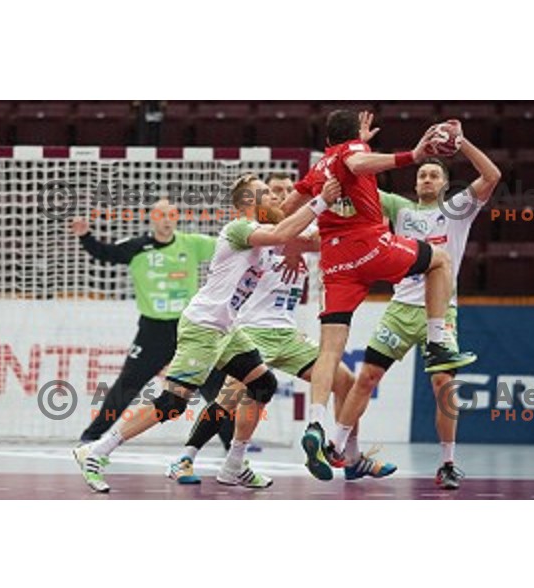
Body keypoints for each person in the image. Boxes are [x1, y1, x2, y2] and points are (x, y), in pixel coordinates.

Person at [73, 174, 342, 492]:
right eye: (265, 193)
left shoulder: (266, 230)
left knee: (262, 383)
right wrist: (321, 199)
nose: (272, 197)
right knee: (173, 403)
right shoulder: (240, 228)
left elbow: (297, 233)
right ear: (246, 203)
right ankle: (97, 450)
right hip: (203, 326)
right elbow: (285, 231)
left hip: (226, 328)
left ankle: (234, 465)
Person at [281, 109, 477, 480]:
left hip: (336, 262)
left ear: (326, 140)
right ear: (352, 135)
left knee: (330, 351)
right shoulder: (351, 153)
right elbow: (356, 160)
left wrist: (306, 217)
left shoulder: (320, 167)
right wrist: (412, 156)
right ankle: (438, 340)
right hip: (371, 248)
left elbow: (286, 210)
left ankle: (317, 424)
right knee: (439, 261)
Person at [166, 185, 395, 484]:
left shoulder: (303, 228)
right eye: (274, 191)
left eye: (286, 189)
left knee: (346, 382)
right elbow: (280, 239)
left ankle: (351, 458)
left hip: (287, 333)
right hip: (250, 329)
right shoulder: (257, 231)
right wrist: (292, 245)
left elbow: (328, 237)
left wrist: (368, 216)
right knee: (231, 397)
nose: (281, 195)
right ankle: (187, 458)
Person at [343, 131, 501, 489]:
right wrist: (359, 145)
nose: (427, 179)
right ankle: (339, 447)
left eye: (434, 175)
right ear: (415, 183)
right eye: (422, 175)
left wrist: (461, 143)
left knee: (444, 385)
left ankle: (447, 462)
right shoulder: (400, 208)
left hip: (440, 313)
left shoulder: (456, 208)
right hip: (400, 308)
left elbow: (492, 176)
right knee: (366, 377)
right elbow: (356, 180)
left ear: (445, 183)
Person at [70, 198, 224, 445]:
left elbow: (228, 246)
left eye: (171, 215)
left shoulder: (192, 244)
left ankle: (233, 443)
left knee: (213, 384)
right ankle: (91, 436)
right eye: (161, 215)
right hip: (152, 331)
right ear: (153, 218)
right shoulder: (137, 247)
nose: (166, 220)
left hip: (187, 328)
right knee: (128, 384)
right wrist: (85, 236)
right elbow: (105, 253)